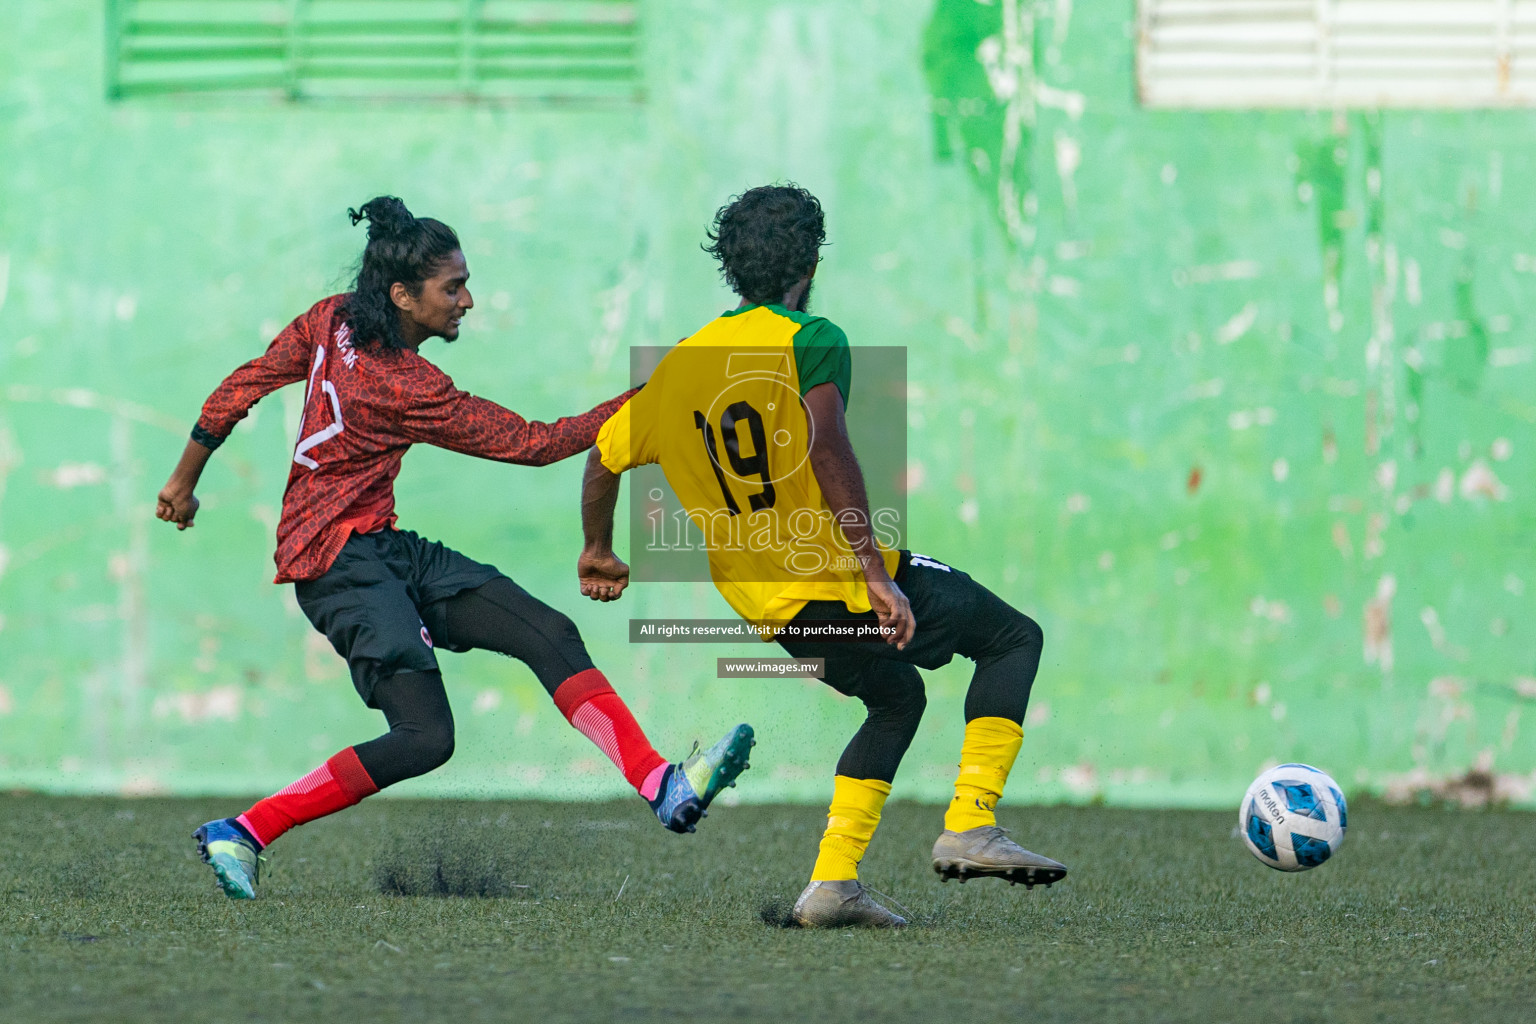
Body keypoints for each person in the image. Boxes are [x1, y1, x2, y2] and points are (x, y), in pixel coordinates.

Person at [156, 196, 753, 901]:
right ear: (402, 295)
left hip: (381, 548)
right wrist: (657, 394)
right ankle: (245, 830)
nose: (468, 299)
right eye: (453, 287)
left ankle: (661, 783)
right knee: (424, 737)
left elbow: (246, 382)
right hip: (337, 565)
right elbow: (539, 444)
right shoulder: (407, 384)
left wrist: (182, 480)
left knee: (549, 632)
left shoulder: (332, 317)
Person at [574, 184, 1064, 928]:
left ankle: (832, 886)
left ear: (732, 270)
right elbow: (826, 444)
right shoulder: (811, 336)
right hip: (838, 581)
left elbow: (604, 456)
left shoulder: (676, 368)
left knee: (896, 697)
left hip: (774, 611)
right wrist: (874, 574)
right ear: (808, 261)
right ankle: (970, 824)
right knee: (1011, 637)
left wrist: (598, 549)